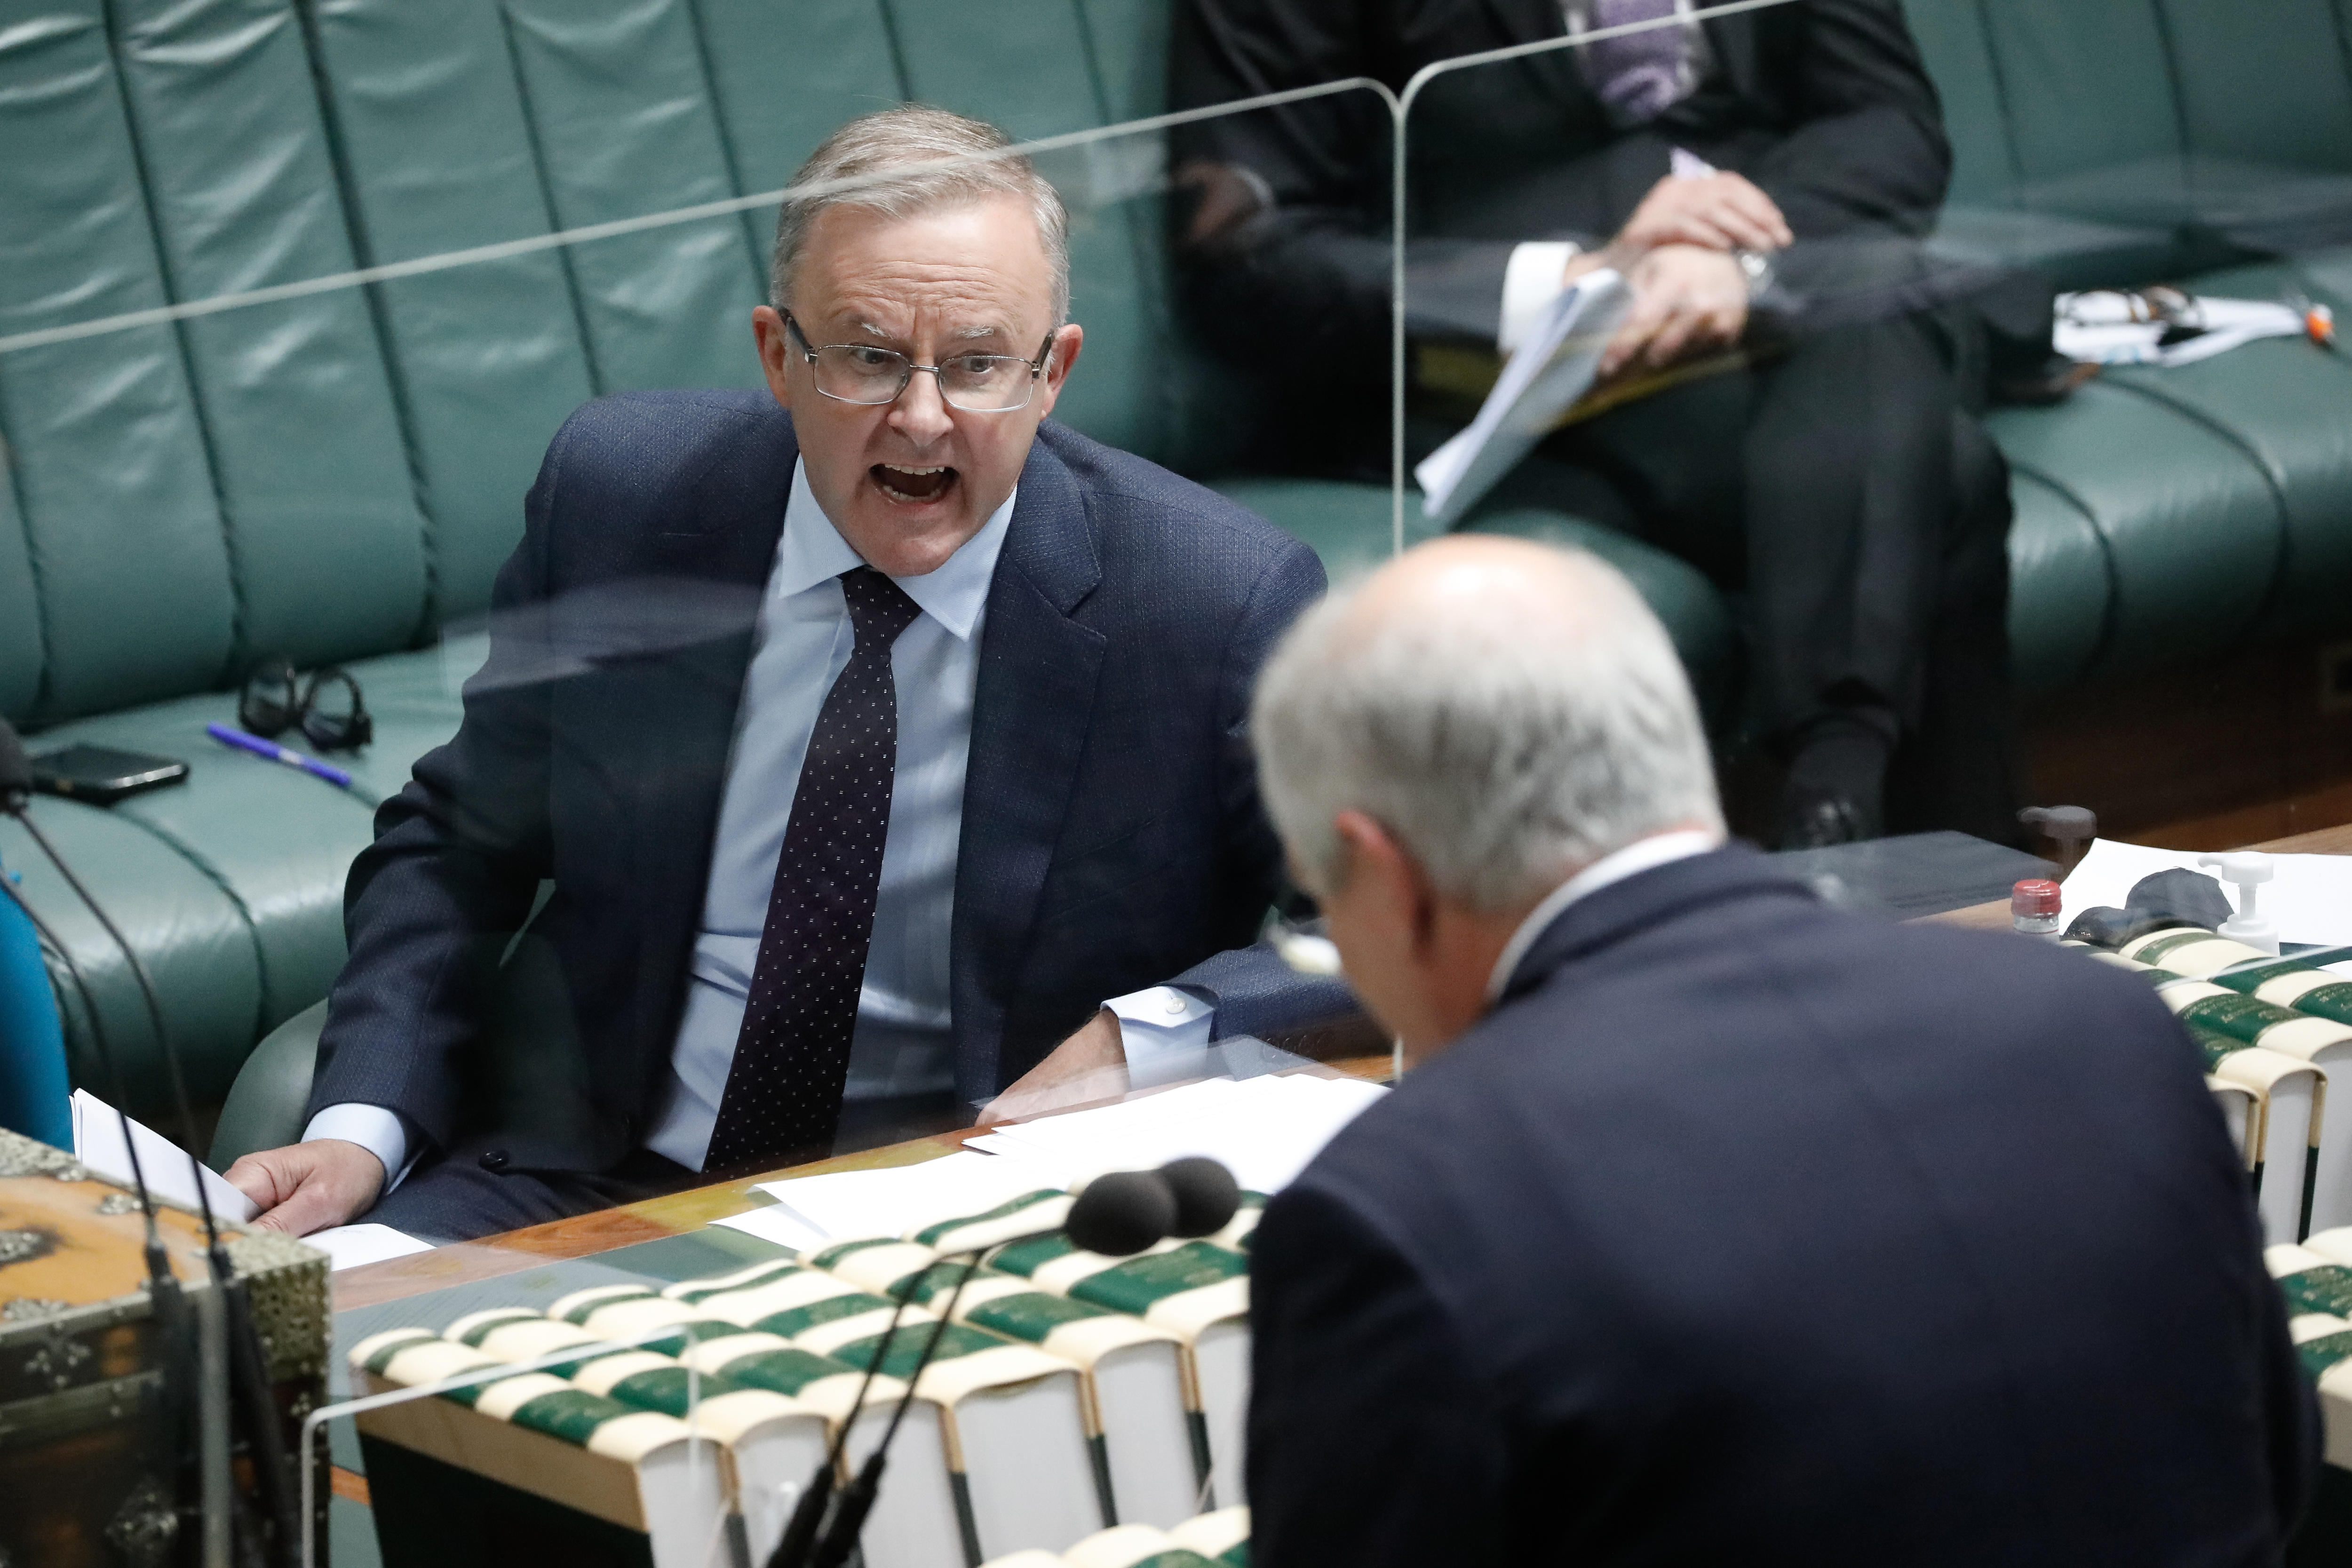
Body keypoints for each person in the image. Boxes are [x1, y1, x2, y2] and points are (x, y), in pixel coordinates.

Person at [223, 107, 1348, 1242]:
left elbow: (1387, 922)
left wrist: (1147, 1034)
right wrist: (359, 1126)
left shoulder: (1210, 600)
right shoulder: (623, 497)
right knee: (287, 1367)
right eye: (867, 357)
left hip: (961, 1215)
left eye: (975, 364)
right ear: (778, 355)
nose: (921, 418)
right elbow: (459, 845)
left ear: (1050, 372)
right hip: (582, 1183)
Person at [1241, 535, 2317, 1565]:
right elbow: (2273, 1471)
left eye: (1320, 902)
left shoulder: (1400, 1209)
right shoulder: (2100, 1026)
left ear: (1378, 870)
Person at [1171, 0, 2016, 848]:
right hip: (1492, 375)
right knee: (1948, 467)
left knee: (1878, 336)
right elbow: (1254, 251)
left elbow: (1888, 118)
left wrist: (1735, 257)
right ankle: (1893, 853)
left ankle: (1841, 824)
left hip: (1781, 309)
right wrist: (1584, 275)